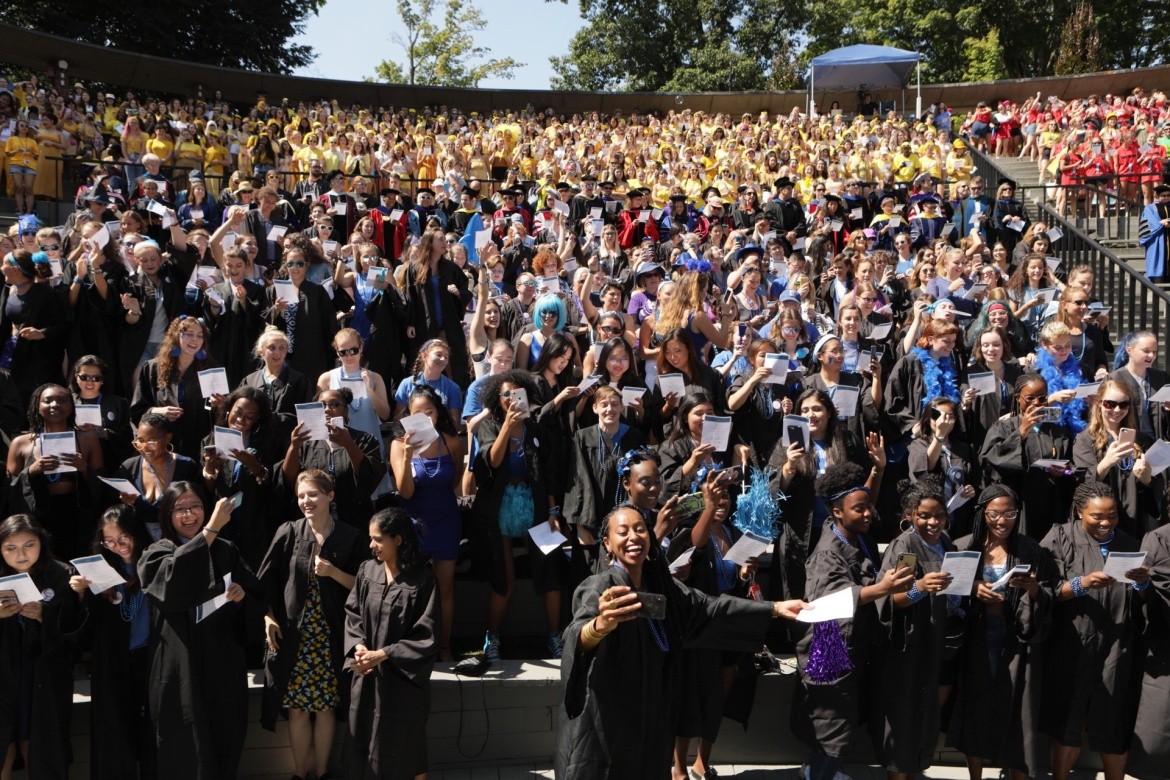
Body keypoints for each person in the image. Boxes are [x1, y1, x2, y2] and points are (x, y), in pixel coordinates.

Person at [553, 504, 809, 779]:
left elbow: (710, 609)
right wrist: (600, 625)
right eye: (623, 532)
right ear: (607, 543)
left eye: (640, 529)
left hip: (653, 719)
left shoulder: (662, 589)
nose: (633, 537)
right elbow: (576, 635)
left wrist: (774, 609)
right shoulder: (600, 587)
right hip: (611, 721)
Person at [792, 462, 914, 780]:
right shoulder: (826, 554)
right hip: (829, 646)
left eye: (868, 508)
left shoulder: (855, 536)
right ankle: (818, 774)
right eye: (859, 510)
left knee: (842, 719)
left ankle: (822, 771)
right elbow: (828, 602)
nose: (867, 514)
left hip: (851, 643)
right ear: (836, 512)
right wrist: (881, 588)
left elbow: (858, 499)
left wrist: (878, 470)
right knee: (833, 725)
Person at [138, 483, 261, 780]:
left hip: (223, 662)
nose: (189, 514)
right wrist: (209, 532)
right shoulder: (156, 553)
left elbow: (256, 596)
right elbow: (168, 588)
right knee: (184, 744)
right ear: (168, 515)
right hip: (180, 667)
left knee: (224, 738)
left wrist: (242, 597)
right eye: (180, 509)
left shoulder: (226, 550)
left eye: (195, 506)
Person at [258, 470, 366, 780]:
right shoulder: (288, 532)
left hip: (330, 635)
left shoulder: (350, 536)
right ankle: (300, 773)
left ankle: (321, 773)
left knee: (326, 707)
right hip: (295, 636)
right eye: (302, 495)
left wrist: (333, 572)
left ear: (331, 496)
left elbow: (363, 588)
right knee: (297, 708)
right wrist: (268, 617)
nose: (306, 501)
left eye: (313, 494)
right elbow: (265, 582)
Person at [1040, 482, 1150, 780]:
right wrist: (1081, 584)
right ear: (1078, 512)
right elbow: (1043, 590)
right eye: (1096, 517)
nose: (1105, 523)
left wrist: (1141, 584)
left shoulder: (1129, 543)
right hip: (1073, 641)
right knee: (1069, 717)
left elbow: (1145, 602)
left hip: (1117, 642)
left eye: (1112, 516)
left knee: (1114, 717)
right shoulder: (1060, 537)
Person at [948, 485, 1053, 780]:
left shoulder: (1030, 549)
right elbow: (948, 592)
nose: (1002, 520)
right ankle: (976, 776)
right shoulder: (964, 547)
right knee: (975, 705)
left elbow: (1047, 594)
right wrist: (973, 587)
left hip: (1016, 637)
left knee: (1019, 708)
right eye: (995, 513)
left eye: (1010, 513)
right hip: (977, 637)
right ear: (983, 513)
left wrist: (1032, 588)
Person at [469, 370, 565, 662]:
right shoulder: (488, 426)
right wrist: (506, 428)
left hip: (534, 506)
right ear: (497, 400)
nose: (512, 399)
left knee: (549, 571)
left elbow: (549, 472)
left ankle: (555, 636)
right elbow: (492, 461)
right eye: (505, 395)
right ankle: (493, 638)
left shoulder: (535, 429)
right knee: (504, 579)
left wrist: (552, 511)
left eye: (516, 393)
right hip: (498, 508)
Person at [868, 478, 957, 780]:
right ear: (910, 515)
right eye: (925, 515)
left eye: (939, 515)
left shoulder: (946, 544)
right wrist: (920, 586)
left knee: (923, 713)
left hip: (934, 641)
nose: (933, 522)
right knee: (903, 715)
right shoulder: (905, 546)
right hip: (908, 645)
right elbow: (895, 598)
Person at [344, 506, 439, 780]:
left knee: (405, 749)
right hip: (368, 676)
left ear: (397, 539)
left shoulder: (422, 579)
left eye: (378, 539)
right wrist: (359, 648)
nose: (371, 545)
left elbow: (427, 631)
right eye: (370, 538)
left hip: (403, 683)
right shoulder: (367, 571)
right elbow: (353, 613)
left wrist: (385, 653)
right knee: (363, 741)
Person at [66, 505, 156, 780]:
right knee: (114, 732)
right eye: (109, 541)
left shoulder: (154, 559)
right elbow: (83, 626)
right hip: (113, 660)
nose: (118, 547)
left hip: (150, 657)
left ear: (136, 533)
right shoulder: (99, 567)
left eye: (123, 538)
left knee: (151, 730)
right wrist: (81, 593)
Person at [0, 514, 79, 780]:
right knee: (5, 742)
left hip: (42, 672)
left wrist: (44, 616)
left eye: (29, 545)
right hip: (4, 669)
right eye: (11, 548)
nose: (21, 555)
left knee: (38, 739)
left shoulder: (60, 573)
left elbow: (75, 626)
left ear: (41, 543)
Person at [389, 385, 464, 661]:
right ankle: (411, 647)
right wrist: (408, 455)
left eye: (429, 412)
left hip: (445, 517)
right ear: (407, 415)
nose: (423, 417)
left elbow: (454, 481)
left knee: (445, 586)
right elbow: (405, 491)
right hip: (413, 520)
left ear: (437, 413)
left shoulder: (451, 441)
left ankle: (443, 646)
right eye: (416, 413)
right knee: (411, 586)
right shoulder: (398, 445)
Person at [5, 382, 104, 559]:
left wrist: (85, 470)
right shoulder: (21, 443)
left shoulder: (88, 440)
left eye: (62, 400)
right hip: (38, 516)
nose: (55, 405)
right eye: (48, 401)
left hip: (77, 517)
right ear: (37, 405)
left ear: (71, 406)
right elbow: (9, 489)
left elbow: (102, 483)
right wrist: (30, 472)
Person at [1073, 380, 1163, 538]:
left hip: (1136, 517)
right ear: (1099, 403)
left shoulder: (1140, 439)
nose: (1117, 409)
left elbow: (1156, 487)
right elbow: (1082, 484)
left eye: (1123, 405)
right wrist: (1106, 463)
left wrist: (1147, 480)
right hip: (1104, 518)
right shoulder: (1086, 439)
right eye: (1110, 404)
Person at [130, 315, 221, 461]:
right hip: (162, 444)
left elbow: (213, 412)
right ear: (175, 336)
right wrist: (157, 411)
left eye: (199, 335)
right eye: (189, 334)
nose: (194, 340)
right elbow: (137, 410)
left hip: (196, 445)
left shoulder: (210, 369)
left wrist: (216, 404)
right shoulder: (153, 368)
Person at [1139, 183, 1170, 284]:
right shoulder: (1150, 208)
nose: (1166, 198)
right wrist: (1161, 224)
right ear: (1158, 196)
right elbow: (1148, 223)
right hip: (1158, 240)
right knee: (1159, 264)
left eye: (1168, 195)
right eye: (1163, 195)